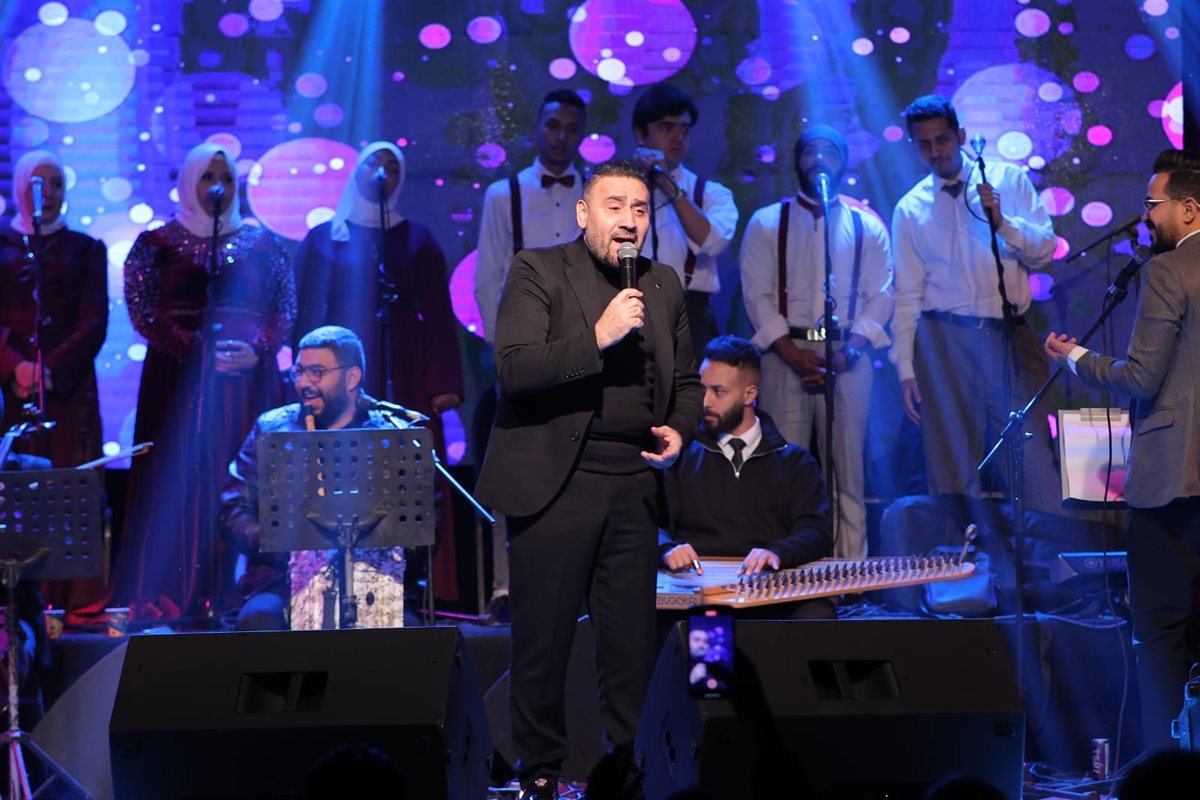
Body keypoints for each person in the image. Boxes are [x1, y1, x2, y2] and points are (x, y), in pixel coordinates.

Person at [475, 158, 703, 800]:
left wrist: (680, 429)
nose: (629, 221)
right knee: (542, 643)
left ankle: (626, 774)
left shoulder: (662, 283)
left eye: (640, 209)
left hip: (634, 482)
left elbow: (687, 382)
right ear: (584, 213)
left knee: (629, 647)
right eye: (614, 206)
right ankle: (540, 774)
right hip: (557, 483)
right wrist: (598, 337)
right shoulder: (538, 269)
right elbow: (515, 370)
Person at [1044, 149, 1200, 753]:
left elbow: (1140, 377)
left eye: (1152, 204)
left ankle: (1165, 766)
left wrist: (1076, 358)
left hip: (1173, 481)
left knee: (1159, 630)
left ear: (1189, 209)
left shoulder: (1167, 271)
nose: (1145, 216)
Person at [115, 141, 296, 622]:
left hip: (247, 382)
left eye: (228, 178)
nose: (218, 186)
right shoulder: (156, 244)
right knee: (182, 475)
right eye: (208, 177)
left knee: (246, 478)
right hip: (178, 382)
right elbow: (143, 310)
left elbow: (284, 308)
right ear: (189, 181)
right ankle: (179, 592)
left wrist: (256, 349)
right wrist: (196, 352)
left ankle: (245, 589)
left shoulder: (263, 244)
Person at [294, 141, 464, 603]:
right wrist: (309, 377)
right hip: (341, 370)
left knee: (405, 471)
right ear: (358, 170)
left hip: (404, 365)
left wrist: (444, 383)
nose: (383, 171)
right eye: (376, 161)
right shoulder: (326, 237)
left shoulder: (417, 238)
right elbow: (307, 310)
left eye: (393, 165)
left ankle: (411, 584)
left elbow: (438, 313)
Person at [891, 95, 1059, 511]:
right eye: (925, 144)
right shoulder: (910, 208)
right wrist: (905, 368)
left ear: (961, 136)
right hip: (944, 339)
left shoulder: (1007, 179)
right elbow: (907, 293)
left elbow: (1045, 251)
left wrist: (1002, 222)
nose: (936, 151)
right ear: (915, 147)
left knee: (1031, 457)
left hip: (1008, 334)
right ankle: (958, 549)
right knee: (951, 464)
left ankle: (1048, 547)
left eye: (942, 140)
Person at [739, 126, 892, 561]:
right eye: (811, 151)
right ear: (797, 160)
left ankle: (850, 575)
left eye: (830, 151)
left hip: (848, 357)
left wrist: (850, 351)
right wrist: (791, 353)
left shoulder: (866, 224)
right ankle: (784, 570)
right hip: (784, 356)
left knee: (848, 473)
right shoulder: (768, 221)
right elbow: (756, 293)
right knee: (784, 469)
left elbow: (882, 294)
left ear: (844, 161)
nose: (820, 159)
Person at [473, 89, 587, 623]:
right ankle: (506, 586)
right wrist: (506, 353)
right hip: (525, 350)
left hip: (586, 350)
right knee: (515, 465)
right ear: (537, 128)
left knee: (581, 466)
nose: (561, 137)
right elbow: (488, 279)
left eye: (571, 128)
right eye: (553, 125)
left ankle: (577, 585)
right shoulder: (505, 195)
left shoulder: (597, 192)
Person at [219, 326, 418, 631]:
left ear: (352, 377)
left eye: (317, 372)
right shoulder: (271, 428)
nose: (303, 383)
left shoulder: (391, 432)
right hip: (282, 580)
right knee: (258, 620)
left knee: (410, 631)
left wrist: (364, 549)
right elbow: (233, 510)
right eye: (299, 372)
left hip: (373, 581)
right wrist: (288, 545)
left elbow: (421, 524)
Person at [0, 150, 109, 612]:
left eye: (57, 183)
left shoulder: (86, 248)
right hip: (9, 391)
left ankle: (75, 606)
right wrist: (15, 366)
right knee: (18, 492)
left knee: (69, 492)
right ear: (21, 186)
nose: (47, 193)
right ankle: (21, 603)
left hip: (69, 391)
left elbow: (94, 321)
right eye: (38, 183)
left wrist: (49, 369)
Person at [658, 336, 835, 619]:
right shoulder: (681, 457)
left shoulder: (795, 462)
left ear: (750, 394)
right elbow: (650, 523)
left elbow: (816, 530)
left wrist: (778, 552)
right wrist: (668, 549)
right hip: (699, 591)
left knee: (817, 615)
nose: (705, 401)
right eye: (702, 389)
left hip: (770, 589)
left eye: (718, 391)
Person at [630, 84, 738, 361]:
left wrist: (666, 184)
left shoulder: (711, 193)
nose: (678, 137)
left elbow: (712, 244)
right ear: (640, 133)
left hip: (691, 316)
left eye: (684, 130)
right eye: (666, 128)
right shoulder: (615, 189)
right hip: (629, 312)